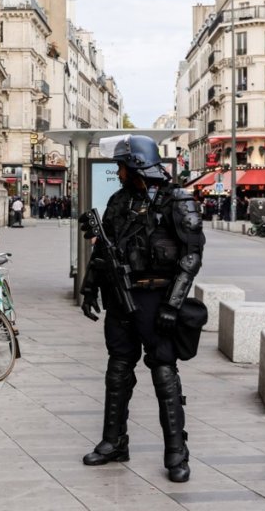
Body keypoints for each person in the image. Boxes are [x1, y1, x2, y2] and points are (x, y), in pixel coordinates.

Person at [79, 134, 206, 483]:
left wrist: (173, 304)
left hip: (157, 298)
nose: (118, 172)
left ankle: (177, 453)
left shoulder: (178, 200)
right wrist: (89, 288)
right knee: (118, 368)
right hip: (121, 297)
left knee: (164, 372)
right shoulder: (119, 201)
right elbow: (102, 250)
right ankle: (114, 441)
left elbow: (191, 257)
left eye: (122, 166)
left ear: (136, 166)